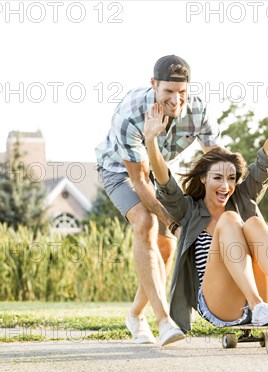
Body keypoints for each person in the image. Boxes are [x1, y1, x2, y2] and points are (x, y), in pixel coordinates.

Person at [146, 76, 268, 331]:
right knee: (231, 220)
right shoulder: (188, 209)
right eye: (218, 178)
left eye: (231, 178)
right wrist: (151, 141)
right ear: (204, 179)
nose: (226, 186)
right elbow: (164, 182)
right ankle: (257, 306)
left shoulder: (242, 196)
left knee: (252, 223)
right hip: (220, 304)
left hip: (266, 297)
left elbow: (267, 159)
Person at [94, 55, 220, 346]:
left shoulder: (198, 110)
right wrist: (173, 221)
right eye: (168, 92)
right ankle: (164, 321)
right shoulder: (130, 114)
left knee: (166, 248)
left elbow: (216, 157)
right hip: (120, 170)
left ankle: (135, 315)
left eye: (182, 93)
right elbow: (139, 180)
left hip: (162, 169)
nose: (175, 100)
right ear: (153, 85)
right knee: (146, 222)